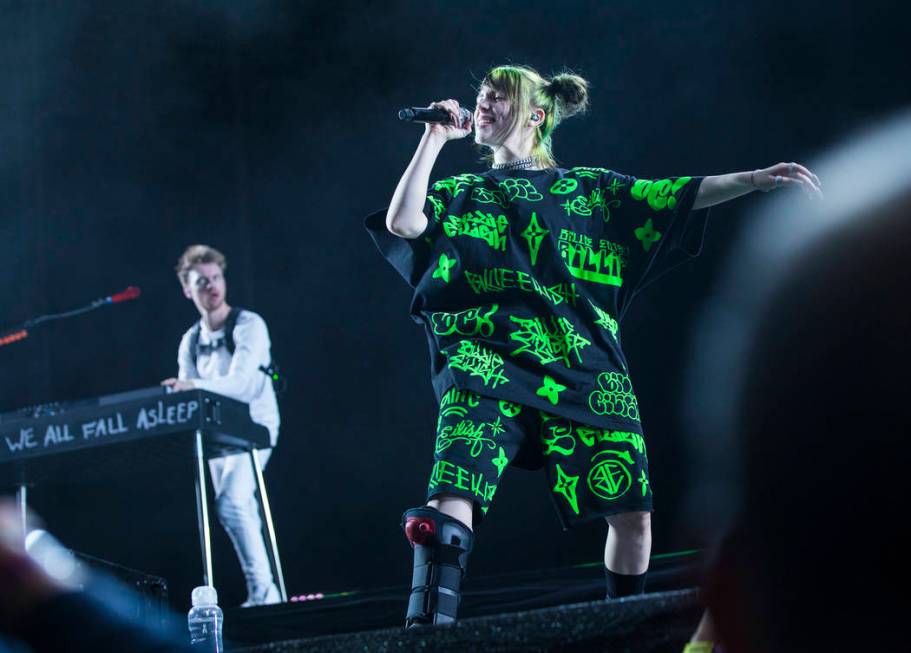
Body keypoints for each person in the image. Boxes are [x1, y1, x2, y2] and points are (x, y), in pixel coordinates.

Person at [366, 64, 822, 627]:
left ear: (535, 114)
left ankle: (625, 630)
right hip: (485, 362)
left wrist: (754, 179)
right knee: (450, 498)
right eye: (478, 97)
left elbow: (671, 196)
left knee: (633, 517)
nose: (480, 105)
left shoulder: (589, 190)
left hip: (584, 365)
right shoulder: (463, 192)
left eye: (495, 97)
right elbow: (403, 222)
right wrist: (434, 137)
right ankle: (428, 627)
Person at [161, 245, 282, 607]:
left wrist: (193, 385)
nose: (213, 287)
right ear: (187, 290)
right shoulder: (191, 341)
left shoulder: (249, 324)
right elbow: (188, 400)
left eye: (217, 278)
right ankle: (266, 592)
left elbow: (242, 385)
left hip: (255, 428)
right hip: (217, 436)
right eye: (202, 282)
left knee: (232, 503)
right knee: (236, 505)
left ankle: (265, 593)